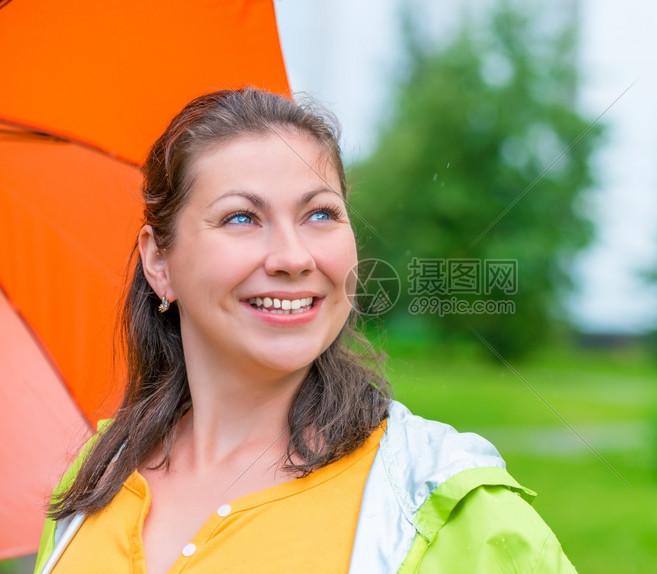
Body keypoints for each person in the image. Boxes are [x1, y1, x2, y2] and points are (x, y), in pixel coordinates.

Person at [34, 88, 576, 573]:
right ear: (159, 263)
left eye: (320, 214)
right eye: (241, 218)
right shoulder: (95, 479)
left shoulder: (447, 505)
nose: (293, 257)